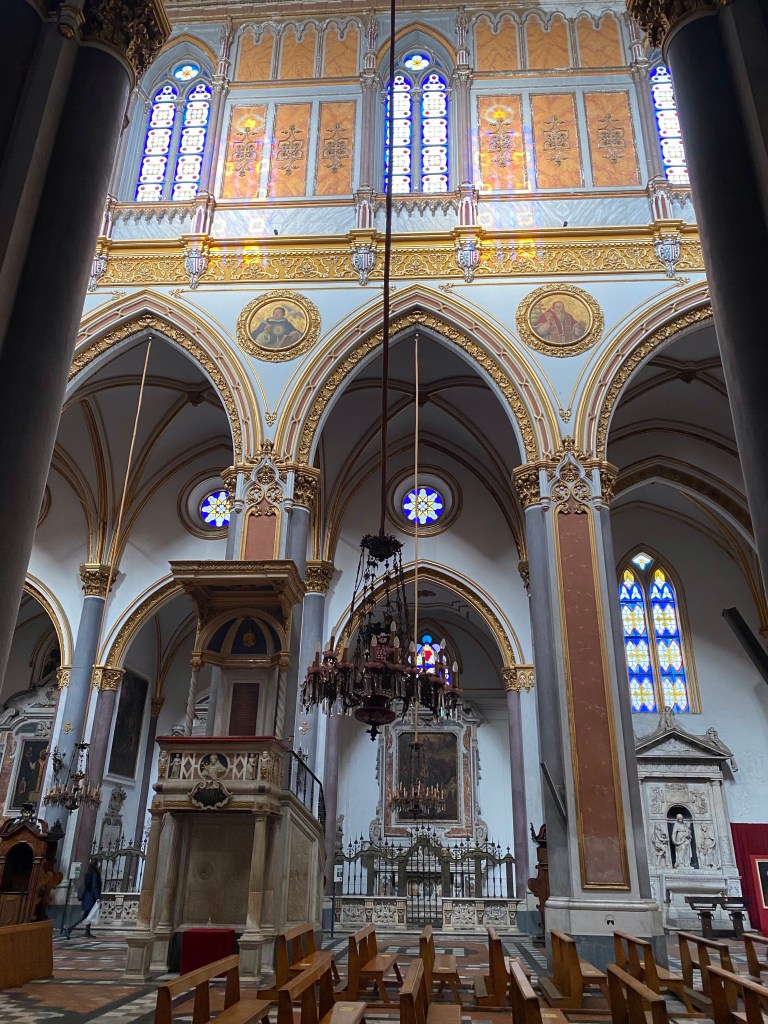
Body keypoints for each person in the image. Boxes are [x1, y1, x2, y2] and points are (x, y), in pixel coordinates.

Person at [65, 859, 101, 938]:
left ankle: (87, 932)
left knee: (88, 915)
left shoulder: (89, 873)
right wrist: (97, 897)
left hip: (87, 896)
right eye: (98, 863)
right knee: (85, 916)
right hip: (91, 897)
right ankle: (69, 928)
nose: (99, 865)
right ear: (96, 865)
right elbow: (94, 886)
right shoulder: (95, 874)